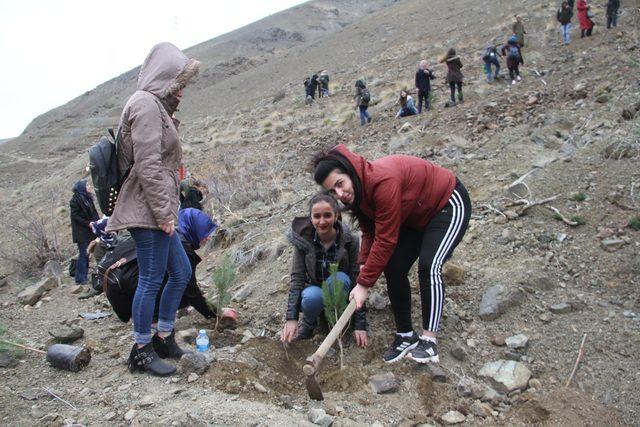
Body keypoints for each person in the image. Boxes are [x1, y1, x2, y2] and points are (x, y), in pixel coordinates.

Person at [312, 145, 471, 364]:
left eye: (340, 184)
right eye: (332, 191)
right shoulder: (359, 192)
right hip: (413, 215)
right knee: (394, 268)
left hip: (445, 204)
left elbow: (386, 239)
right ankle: (406, 335)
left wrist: (365, 284)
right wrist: (364, 266)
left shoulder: (382, 182)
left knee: (429, 265)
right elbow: (370, 231)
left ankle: (429, 340)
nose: (340, 194)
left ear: (350, 172)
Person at [106, 42, 200, 377]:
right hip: (147, 211)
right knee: (151, 278)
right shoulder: (145, 104)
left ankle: (163, 336)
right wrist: (164, 215)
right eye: (178, 84)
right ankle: (141, 350)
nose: (182, 91)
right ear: (164, 76)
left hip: (157, 209)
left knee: (180, 272)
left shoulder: (155, 106)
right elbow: (148, 165)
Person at [104, 208, 236, 324]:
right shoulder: (181, 249)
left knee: (180, 289)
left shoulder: (166, 234)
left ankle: (144, 316)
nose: (207, 238)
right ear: (193, 228)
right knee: (182, 290)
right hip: (126, 297)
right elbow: (191, 292)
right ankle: (152, 320)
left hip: (116, 290)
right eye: (204, 232)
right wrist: (216, 312)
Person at [281, 194, 367, 347]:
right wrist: (291, 318)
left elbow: (357, 280)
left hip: (341, 293)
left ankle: (338, 321)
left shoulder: (350, 241)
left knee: (340, 278)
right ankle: (309, 322)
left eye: (327, 215)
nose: (322, 221)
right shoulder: (303, 242)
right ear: (311, 218)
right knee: (310, 297)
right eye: (317, 216)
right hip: (316, 290)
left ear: (336, 216)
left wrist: (359, 325)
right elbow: (297, 279)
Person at [69, 180, 99, 285]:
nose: (89, 186)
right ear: (82, 188)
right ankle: (80, 278)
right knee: (83, 253)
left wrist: (98, 222)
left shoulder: (88, 198)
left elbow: (93, 212)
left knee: (88, 252)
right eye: (87, 185)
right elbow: (75, 216)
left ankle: (84, 276)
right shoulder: (75, 200)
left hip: (89, 230)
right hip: (81, 232)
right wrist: (88, 223)